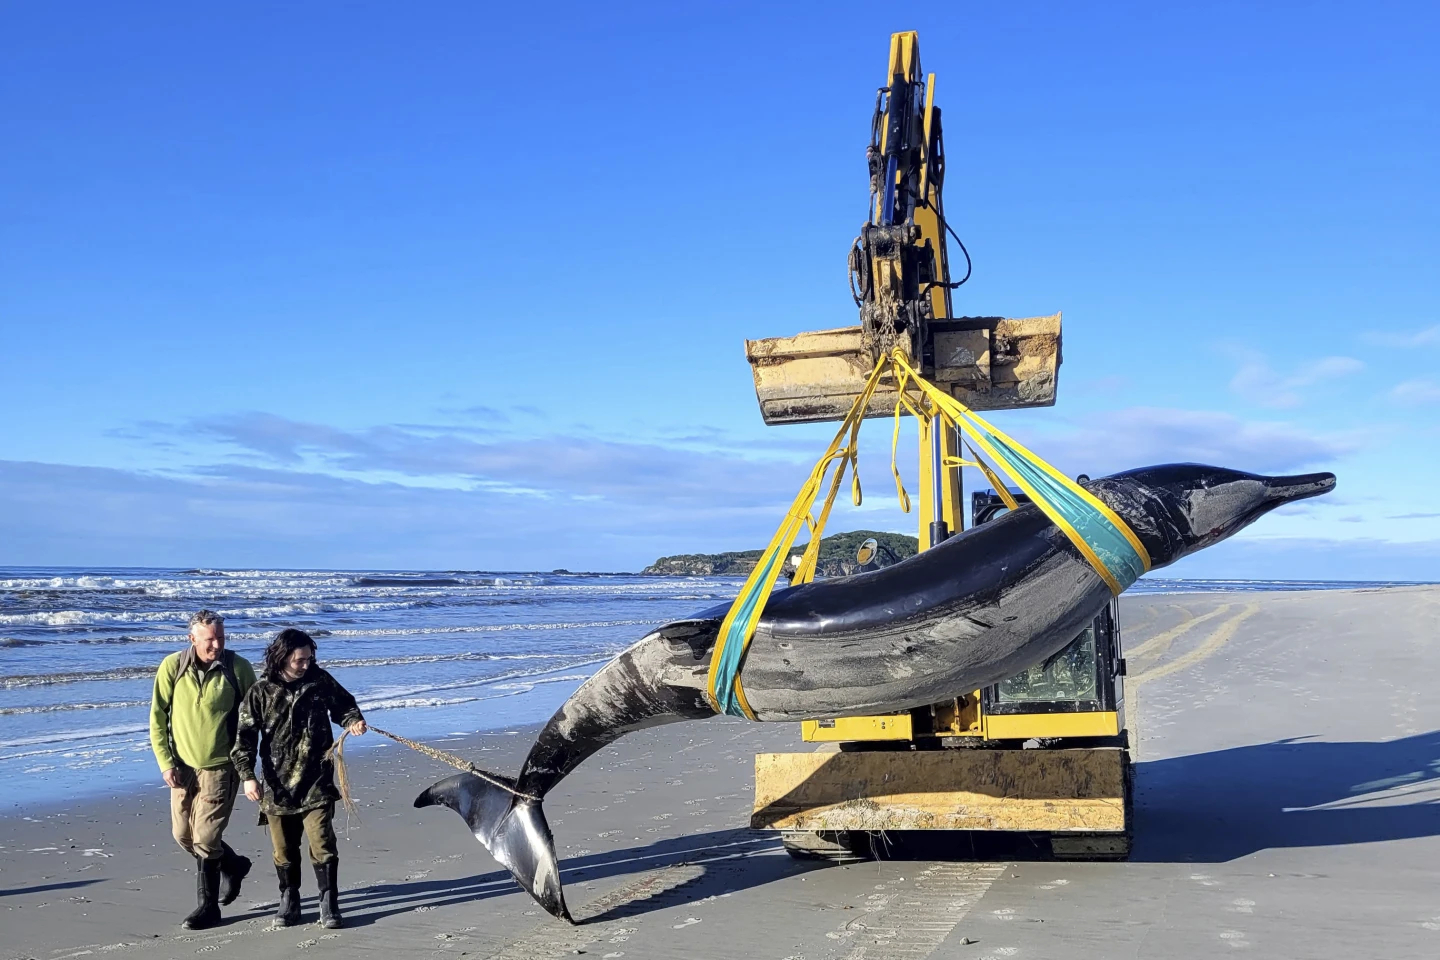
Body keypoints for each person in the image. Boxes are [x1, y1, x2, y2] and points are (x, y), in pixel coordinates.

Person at [232, 628, 366, 929]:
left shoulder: (320, 681)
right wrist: (247, 777)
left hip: (317, 779)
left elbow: (344, 705)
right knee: (283, 850)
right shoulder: (260, 691)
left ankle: (328, 904)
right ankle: (289, 900)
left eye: (309, 658)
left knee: (322, 842)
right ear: (282, 658)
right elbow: (244, 738)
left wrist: (353, 720)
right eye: (299, 660)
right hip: (277, 785)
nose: (306, 664)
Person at [149, 609, 257, 930]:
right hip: (182, 768)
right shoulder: (173, 667)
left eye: (221, 637)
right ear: (192, 638)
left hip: (222, 767)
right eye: (209, 639)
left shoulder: (238, 668)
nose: (216, 644)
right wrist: (165, 762)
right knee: (183, 835)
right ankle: (234, 865)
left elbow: (255, 717)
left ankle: (208, 908)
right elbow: (157, 718)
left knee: (207, 838)